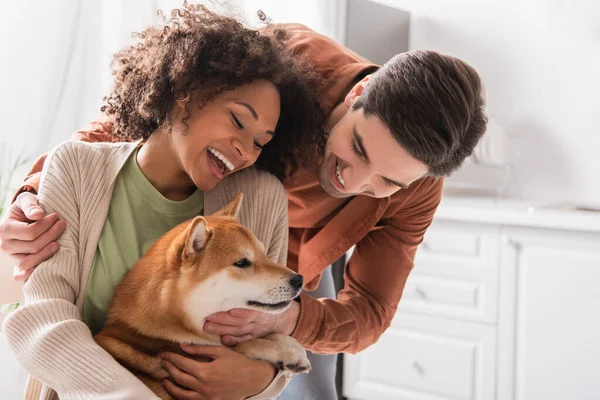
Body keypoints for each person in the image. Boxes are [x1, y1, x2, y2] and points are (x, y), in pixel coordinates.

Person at [0, 14, 488, 400]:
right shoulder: (288, 61)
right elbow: (162, 102)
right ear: (358, 95)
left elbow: (371, 311)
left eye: (387, 182)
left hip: (288, 268)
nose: (354, 181)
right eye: (358, 149)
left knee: (302, 385)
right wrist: (34, 194)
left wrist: (281, 337)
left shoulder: (413, 190)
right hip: (211, 234)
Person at [0, 5, 326, 400]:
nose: (245, 149)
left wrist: (261, 382)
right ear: (186, 95)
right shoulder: (75, 167)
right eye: (238, 121)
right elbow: (42, 318)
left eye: (261, 142)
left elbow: (260, 332)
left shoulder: (260, 197)